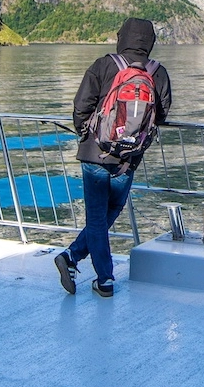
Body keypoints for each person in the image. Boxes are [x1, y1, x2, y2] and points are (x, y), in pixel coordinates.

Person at [56, 18, 172, 298]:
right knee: (111, 211)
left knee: (96, 217)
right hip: (129, 157)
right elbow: (162, 114)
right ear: (150, 41)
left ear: (122, 38)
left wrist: (87, 133)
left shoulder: (104, 65)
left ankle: (97, 273)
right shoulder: (158, 72)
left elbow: (81, 106)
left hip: (95, 153)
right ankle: (79, 261)